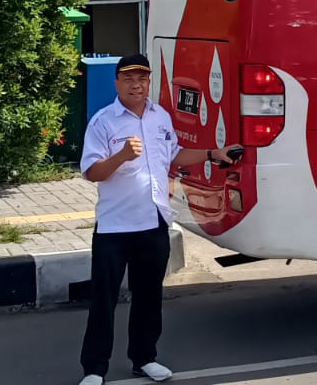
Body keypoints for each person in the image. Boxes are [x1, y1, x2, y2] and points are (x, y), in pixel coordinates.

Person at [78, 53, 240, 385]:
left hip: (153, 222)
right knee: (104, 300)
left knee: (149, 296)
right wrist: (122, 155)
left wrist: (213, 154)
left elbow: (175, 154)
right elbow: (92, 172)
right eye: (128, 79)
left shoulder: (160, 116)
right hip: (115, 226)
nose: (136, 85)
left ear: (149, 82)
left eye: (142, 79)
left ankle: (144, 359)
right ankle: (94, 369)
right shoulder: (103, 122)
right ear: (117, 83)